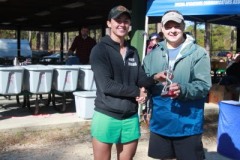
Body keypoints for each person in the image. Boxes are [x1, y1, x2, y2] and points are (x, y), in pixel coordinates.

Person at [90, 5, 164, 160]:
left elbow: (140, 79)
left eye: (126, 21)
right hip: (106, 115)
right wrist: (137, 92)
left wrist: (154, 79)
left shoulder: (133, 51)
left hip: (130, 116)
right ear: (109, 23)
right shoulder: (99, 50)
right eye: (118, 20)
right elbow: (107, 85)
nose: (122, 24)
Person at [143, 10, 212, 160]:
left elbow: (204, 85)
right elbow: (144, 80)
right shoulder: (153, 53)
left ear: (183, 26)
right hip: (161, 121)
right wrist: (148, 84)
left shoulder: (198, 53)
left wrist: (183, 89)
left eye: (176, 26)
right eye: (168, 26)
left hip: (187, 123)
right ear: (162, 28)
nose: (172, 30)